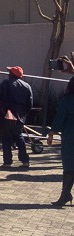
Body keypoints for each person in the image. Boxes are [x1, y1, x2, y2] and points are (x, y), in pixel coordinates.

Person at [0, 66, 33, 167]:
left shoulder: (6, 84)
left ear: (12, 74)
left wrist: (2, 106)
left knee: (6, 138)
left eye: (10, 72)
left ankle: (7, 162)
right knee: (19, 137)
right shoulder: (27, 86)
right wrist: (23, 114)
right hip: (20, 116)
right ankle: (25, 161)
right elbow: (30, 104)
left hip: (7, 114)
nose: (8, 73)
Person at [48, 77, 74, 207]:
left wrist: (52, 133)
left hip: (70, 137)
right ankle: (65, 195)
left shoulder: (68, 100)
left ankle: (65, 194)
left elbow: (60, 117)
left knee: (69, 166)